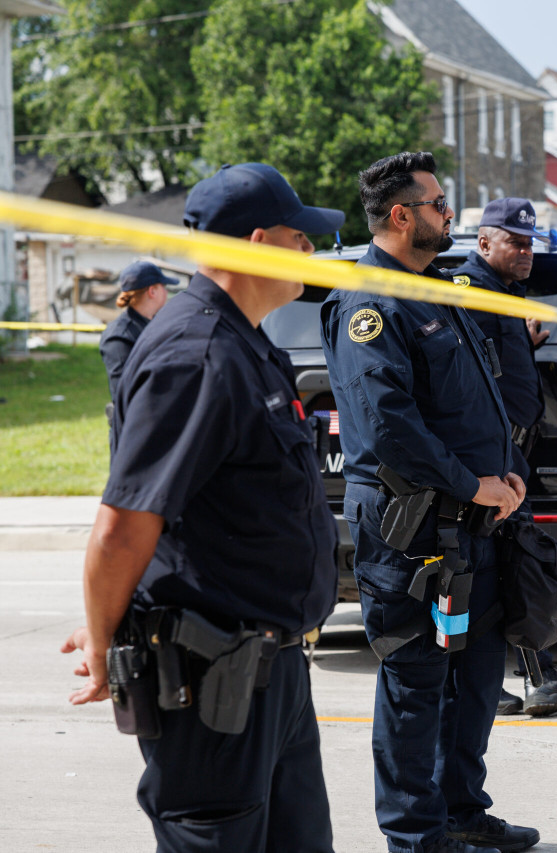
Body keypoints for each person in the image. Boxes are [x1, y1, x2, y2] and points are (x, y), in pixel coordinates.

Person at [64, 162, 343, 851]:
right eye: (299, 236)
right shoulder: (197, 354)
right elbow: (124, 524)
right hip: (213, 681)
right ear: (254, 243)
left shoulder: (244, 340)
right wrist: (102, 639)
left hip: (270, 671)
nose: (311, 250)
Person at [320, 152, 537, 853]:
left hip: (473, 526)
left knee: (473, 678)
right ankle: (417, 836)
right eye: (440, 204)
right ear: (402, 215)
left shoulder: (436, 288)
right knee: (417, 682)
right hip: (413, 528)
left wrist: (507, 472)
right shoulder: (370, 304)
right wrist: (473, 483)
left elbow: (478, 401)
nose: (451, 215)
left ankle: (461, 810)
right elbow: (389, 426)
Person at [451, 197, 557, 718]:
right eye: (514, 242)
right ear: (483, 242)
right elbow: (463, 377)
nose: (526, 252)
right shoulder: (469, 293)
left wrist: (523, 342)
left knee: (506, 566)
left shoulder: (502, 293)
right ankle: (508, 679)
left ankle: (517, 679)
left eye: (530, 243)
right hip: (485, 458)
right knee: (490, 569)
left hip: (510, 451)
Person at [98, 260, 176, 400]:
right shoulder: (119, 336)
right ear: (152, 291)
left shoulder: (154, 325)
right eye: (163, 286)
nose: (166, 292)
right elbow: (124, 394)